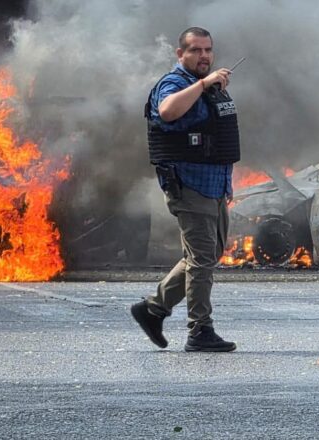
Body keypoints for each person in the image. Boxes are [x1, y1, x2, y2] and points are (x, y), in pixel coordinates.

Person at [130, 27, 238, 352]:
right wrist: (203, 84)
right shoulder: (174, 83)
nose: (203, 56)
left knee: (206, 255)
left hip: (213, 185)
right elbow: (167, 111)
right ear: (181, 54)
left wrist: (226, 183)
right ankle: (199, 330)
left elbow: (217, 137)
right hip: (188, 185)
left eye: (208, 50)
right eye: (195, 50)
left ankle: (153, 309)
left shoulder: (211, 88)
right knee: (202, 258)